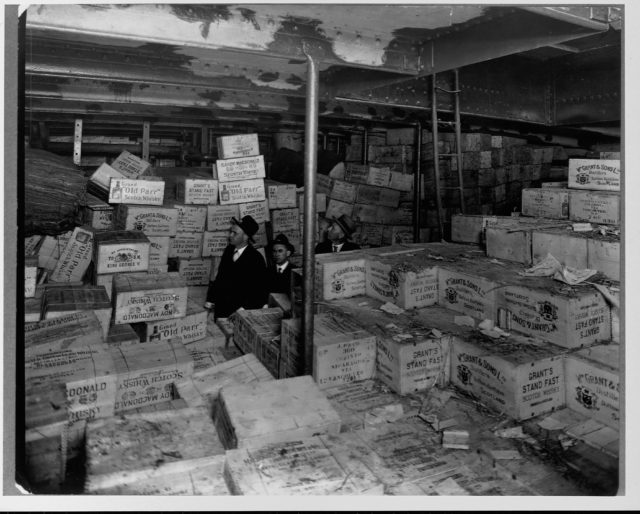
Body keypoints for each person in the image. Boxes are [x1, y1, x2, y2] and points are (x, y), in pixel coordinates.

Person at [205, 215, 268, 319]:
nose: (230, 235)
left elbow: (260, 292)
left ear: (246, 237)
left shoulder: (256, 259)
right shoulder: (228, 250)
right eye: (231, 231)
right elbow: (220, 278)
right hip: (222, 310)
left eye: (235, 233)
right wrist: (209, 303)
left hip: (240, 314)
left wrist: (242, 311)